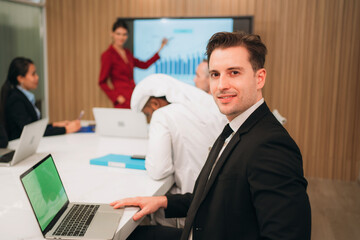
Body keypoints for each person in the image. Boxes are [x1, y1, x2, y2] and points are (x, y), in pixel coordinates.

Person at [111, 31, 311, 240]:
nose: (221, 85)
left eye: (234, 72)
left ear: (259, 78)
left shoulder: (271, 146)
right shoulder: (235, 128)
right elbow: (216, 198)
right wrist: (163, 201)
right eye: (215, 74)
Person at [131, 74, 226, 227]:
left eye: (147, 114)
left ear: (155, 103)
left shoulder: (163, 115)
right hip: (221, 207)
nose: (149, 118)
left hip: (189, 211)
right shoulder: (207, 104)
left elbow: (158, 170)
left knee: (139, 218)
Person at [0, 57, 81, 141]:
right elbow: (31, 131)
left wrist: (54, 125)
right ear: (20, 78)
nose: (37, 77)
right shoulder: (15, 100)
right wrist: (66, 129)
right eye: (33, 74)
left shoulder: (23, 96)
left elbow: (33, 126)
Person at [99, 19, 168, 108]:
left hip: (133, 96)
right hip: (122, 99)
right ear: (112, 34)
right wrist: (116, 97)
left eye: (124, 34)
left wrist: (160, 48)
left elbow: (144, 65)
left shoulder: (128, 53)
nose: (121, 37)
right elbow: (102, 82)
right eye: (118, 34)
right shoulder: (108, 55)